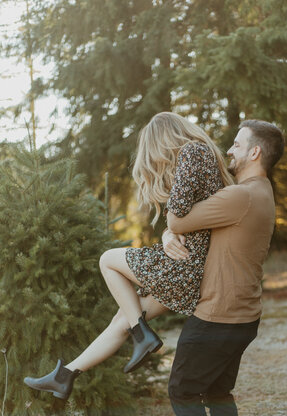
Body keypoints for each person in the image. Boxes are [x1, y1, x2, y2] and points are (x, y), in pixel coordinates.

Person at [23, 112, 232, 400]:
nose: (157, 161)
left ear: (164, 140)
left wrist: (170, 229)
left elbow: (178, 210)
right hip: (191, 269)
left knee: (107, 259)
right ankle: (65, 376)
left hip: (184, 266)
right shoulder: (200, 156)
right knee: (123, 317)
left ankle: (142, 336)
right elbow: (184, 216)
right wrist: (169, 232)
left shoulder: (194, 151)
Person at [155, 119, 284, 416]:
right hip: (242, 316)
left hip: (217, 315)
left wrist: (167, 232)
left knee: (182, 391)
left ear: (254, 153)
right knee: (217, 394)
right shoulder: (258, 194)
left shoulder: (242, 195)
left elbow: (178, 220)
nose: (228, 149)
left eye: (237, 144)